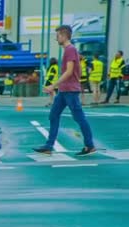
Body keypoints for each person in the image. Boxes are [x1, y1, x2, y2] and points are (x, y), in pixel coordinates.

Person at [33, 25, 96, 156]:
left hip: (70, 90)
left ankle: (89, 145)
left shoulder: (70, 50)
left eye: (58, 36)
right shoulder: (68, 50)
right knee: (53, 115)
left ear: (64, 35)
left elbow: (69, 71)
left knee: (79, 118)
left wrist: (53, 85)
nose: (56, 39)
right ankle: (49, 146)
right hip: (64, 91)